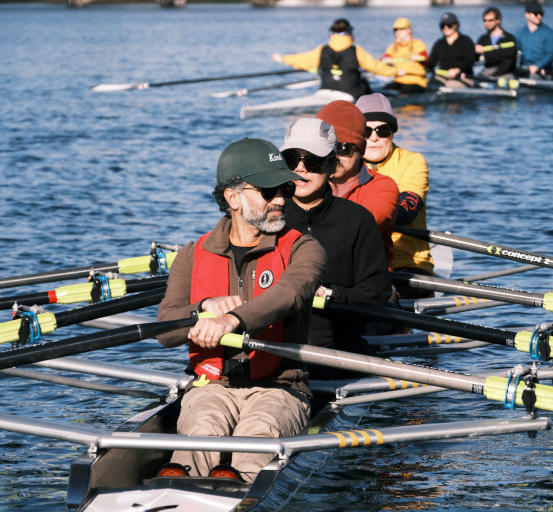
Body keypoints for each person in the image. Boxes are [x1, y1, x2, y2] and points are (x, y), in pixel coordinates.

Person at [156, 137, 326, 482]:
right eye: (268, 190)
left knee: (257, 436)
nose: (280, 199)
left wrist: (232, 319)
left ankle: (237, 489)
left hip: (281, 387)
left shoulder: (305, 248)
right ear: (233, 197)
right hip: (211, 386)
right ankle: (177, 484)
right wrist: (203, 307)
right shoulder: (193, 253)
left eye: (285, 188)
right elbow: (165, 330)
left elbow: (290, 293)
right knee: (200, 432)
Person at [279, 118, 392, 379]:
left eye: (313, 161)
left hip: (336, 350)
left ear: (332, 166)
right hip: (272, 348)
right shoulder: (271, 214)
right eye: (292, 159)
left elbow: (376, 292)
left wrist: (331, 294)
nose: (301, 169)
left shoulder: (357, 220)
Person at [355, 93, 435, 299]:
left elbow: (408, 209)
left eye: (382, 130)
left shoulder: (412, 161)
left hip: (407, 264)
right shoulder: (342, 163)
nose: (373, 137)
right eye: (366, 130)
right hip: (357, 261)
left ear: (392, 133)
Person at [315, 100, 400, 269]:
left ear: (360, 150)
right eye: (327, 149)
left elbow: (358, 228)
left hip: (366, 285)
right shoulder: (304, 183)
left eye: (343, 148)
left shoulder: (382, 187)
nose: (334, 157)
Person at [272, 18, 399, 100]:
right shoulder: (356, 51)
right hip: (350, 94)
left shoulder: (322, 50)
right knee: (368, 86)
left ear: (331, 34)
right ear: (350, 33)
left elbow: (302, 60)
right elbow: (377, 68)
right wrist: (397, 71)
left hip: (325, 90)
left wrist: (283, 58)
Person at [426, 12, 477, 88]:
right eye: (442, 25)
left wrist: (457, 70)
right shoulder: (439, 44)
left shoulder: (466, 41)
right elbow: (431, 64)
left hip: (463, 77)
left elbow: (470, 60)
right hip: (442, 76)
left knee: (449, 85)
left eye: (449, 25)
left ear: (456, 25)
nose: (445, 28)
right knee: (430, 84)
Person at [380, 17, 429, 94]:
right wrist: (385, 60)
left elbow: (425, 58)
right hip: (398, 80)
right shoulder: (392, 48)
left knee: (406, 91)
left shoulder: (418, 44)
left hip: (416, 81)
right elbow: (382, 60)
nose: (398, 32)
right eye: (396, 30)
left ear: (409, 30)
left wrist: (419, 58)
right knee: (382, 92)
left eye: (401, 29)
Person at [516, 1, 553, 77]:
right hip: (524, 68)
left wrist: (537, 66)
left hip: (543, 70)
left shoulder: (549, 33)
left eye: (541, 13)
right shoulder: (519, 33)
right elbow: (513, 51)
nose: (539, 16)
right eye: (535, 13)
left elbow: (551, 54)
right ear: (527, 15)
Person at [475, 6, 519, 77]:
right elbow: (474, 59)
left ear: (498, 20)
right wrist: (474, 52)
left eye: (490, 20)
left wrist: (493, 76)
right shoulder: (483, 39)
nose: (487, 23)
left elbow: (508, 63)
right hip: (487, 71)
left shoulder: (509, 39)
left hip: (505, 73)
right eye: (485, 20)